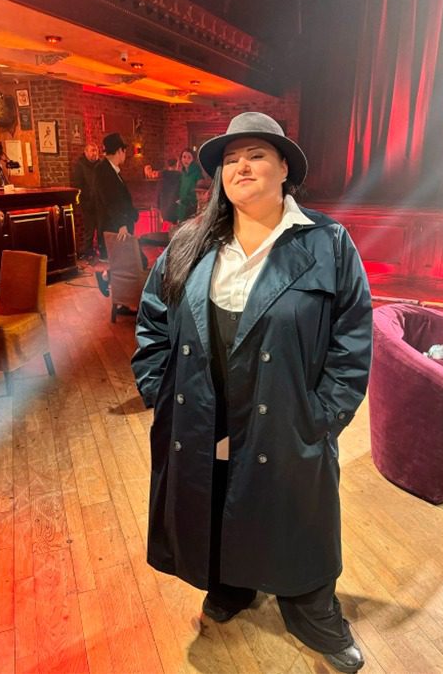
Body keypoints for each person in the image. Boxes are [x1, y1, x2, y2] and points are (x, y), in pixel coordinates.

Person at [130, 112, 372, 673]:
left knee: (297, 513)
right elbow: (152, 324)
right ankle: (232, 582)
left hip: (289, 420)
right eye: (230, 159)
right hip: (201, 418)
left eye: (256, 154)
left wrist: (321, 416)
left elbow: (352, 337)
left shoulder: (328, 243)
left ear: (285, 168)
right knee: (216, 497)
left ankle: (311, 611)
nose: (241, 166)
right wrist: (160, 393)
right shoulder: (190, 242)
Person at [93, 132, 146, 304]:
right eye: (124, 151)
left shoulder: (112, 170)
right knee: (136, 262)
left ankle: (122, 297)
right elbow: (110, 201)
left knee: (127, 264)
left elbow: (121, 199)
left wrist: (132, 214)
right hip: (115, 227)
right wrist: (122, 224)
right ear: (119, 151)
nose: (125, 154)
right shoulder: (102, 171)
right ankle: (106, 278)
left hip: (121, 225)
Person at [71, 142, 101, 260]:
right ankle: (88, 252)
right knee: (89, 230)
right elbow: (78, 185)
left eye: (96, 150)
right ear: (86, 152)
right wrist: (85, 200)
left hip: (100, 203)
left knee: (101, 229)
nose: (95, 153)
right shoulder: (80, 166)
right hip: (88, 203)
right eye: (92, 150)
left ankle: (102, 251)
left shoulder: (100, 165)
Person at [174, 147, 202, 224]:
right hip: (181, 208)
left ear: (193, 159)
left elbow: (200, 193)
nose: (186, 160)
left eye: (189, 157)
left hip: (192, 208)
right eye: (184, 157)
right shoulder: (183, 173)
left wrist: (185, 200)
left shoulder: (197, 173)